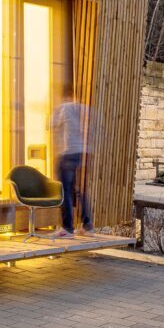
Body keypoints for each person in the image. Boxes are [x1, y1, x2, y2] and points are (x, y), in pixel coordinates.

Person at [51, 85, 93, 237]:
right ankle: (87, 226)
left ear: (66, 96)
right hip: (84, 153)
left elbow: (51, 124)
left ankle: (67, 228)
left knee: (65, 190)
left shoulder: (63, 108)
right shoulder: (85, 109)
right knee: (81, 191)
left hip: (68, 153)